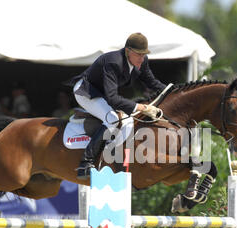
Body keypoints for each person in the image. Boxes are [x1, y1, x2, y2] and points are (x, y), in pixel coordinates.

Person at [64, 32, 166, 179]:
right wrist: (143, 108)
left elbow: (152, 82)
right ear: (127, 51)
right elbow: (113, 98)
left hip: (103, 94)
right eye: (139, 54)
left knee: (128, 121)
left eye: (144, 55)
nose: (142, 59)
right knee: (113, 119)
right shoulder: (113, 61)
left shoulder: (141, 61)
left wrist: (173, 90)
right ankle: (85, 163)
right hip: (87, 92)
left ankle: (112, 158)